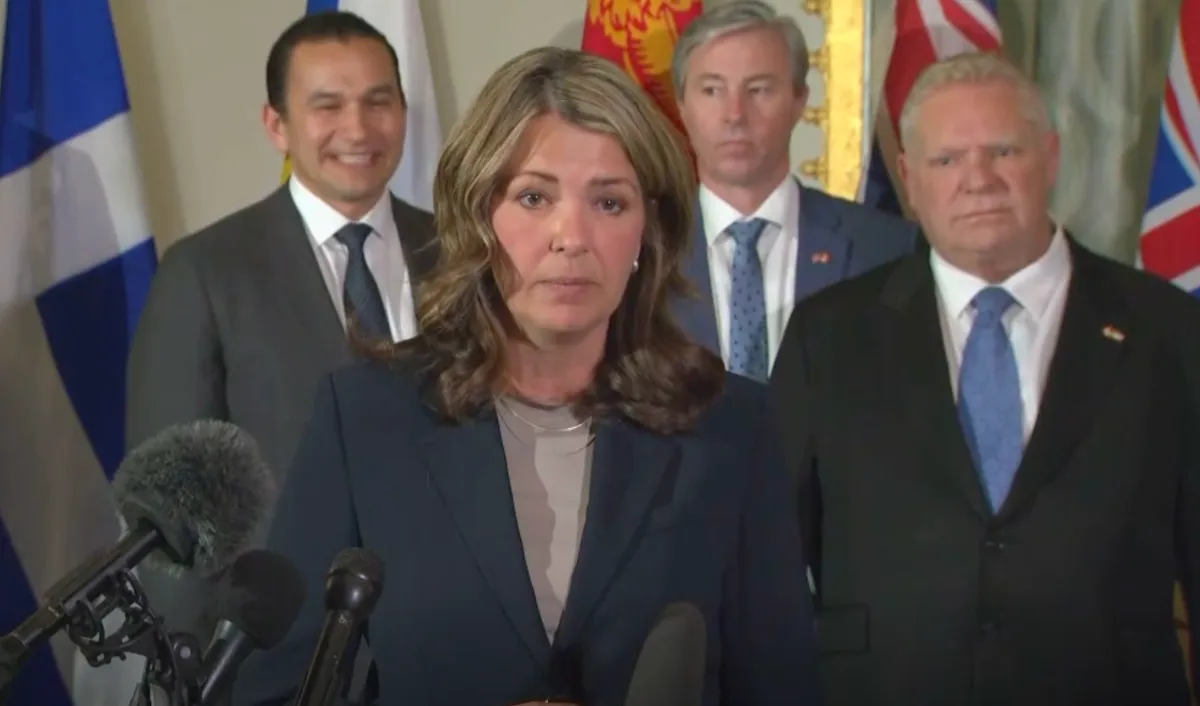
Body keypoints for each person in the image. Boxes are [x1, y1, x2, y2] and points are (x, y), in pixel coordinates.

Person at [231, 46, 819, 706]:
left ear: (647, 235)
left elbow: (782, 685)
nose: (571, 236)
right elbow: (278, 689)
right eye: (535, 197)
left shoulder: (728, 427)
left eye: (610, 203)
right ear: (479, 215)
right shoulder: (367, 418)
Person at [770, 51, 1200, 705]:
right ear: (910, 179)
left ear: (1051, 157)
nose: (979, 180)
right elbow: (765, 556)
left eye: (1004, 152)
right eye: (947, 160)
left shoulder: (1168, 329)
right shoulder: (829, 335)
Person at [124, 10, 437, 655]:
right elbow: (170, 513)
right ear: (278, 125)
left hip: (451, 642)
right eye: (328, 105)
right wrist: (196, 671)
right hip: (279, 655)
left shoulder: (461, 253)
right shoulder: (206, 271)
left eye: (379, 101)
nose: (358, 128)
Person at [671, 0, 919, 382]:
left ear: (799, 100)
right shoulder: (642, 249)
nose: (735, 114)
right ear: (681, 105)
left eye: (758, 89)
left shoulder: (885, 247)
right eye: (712, 90)